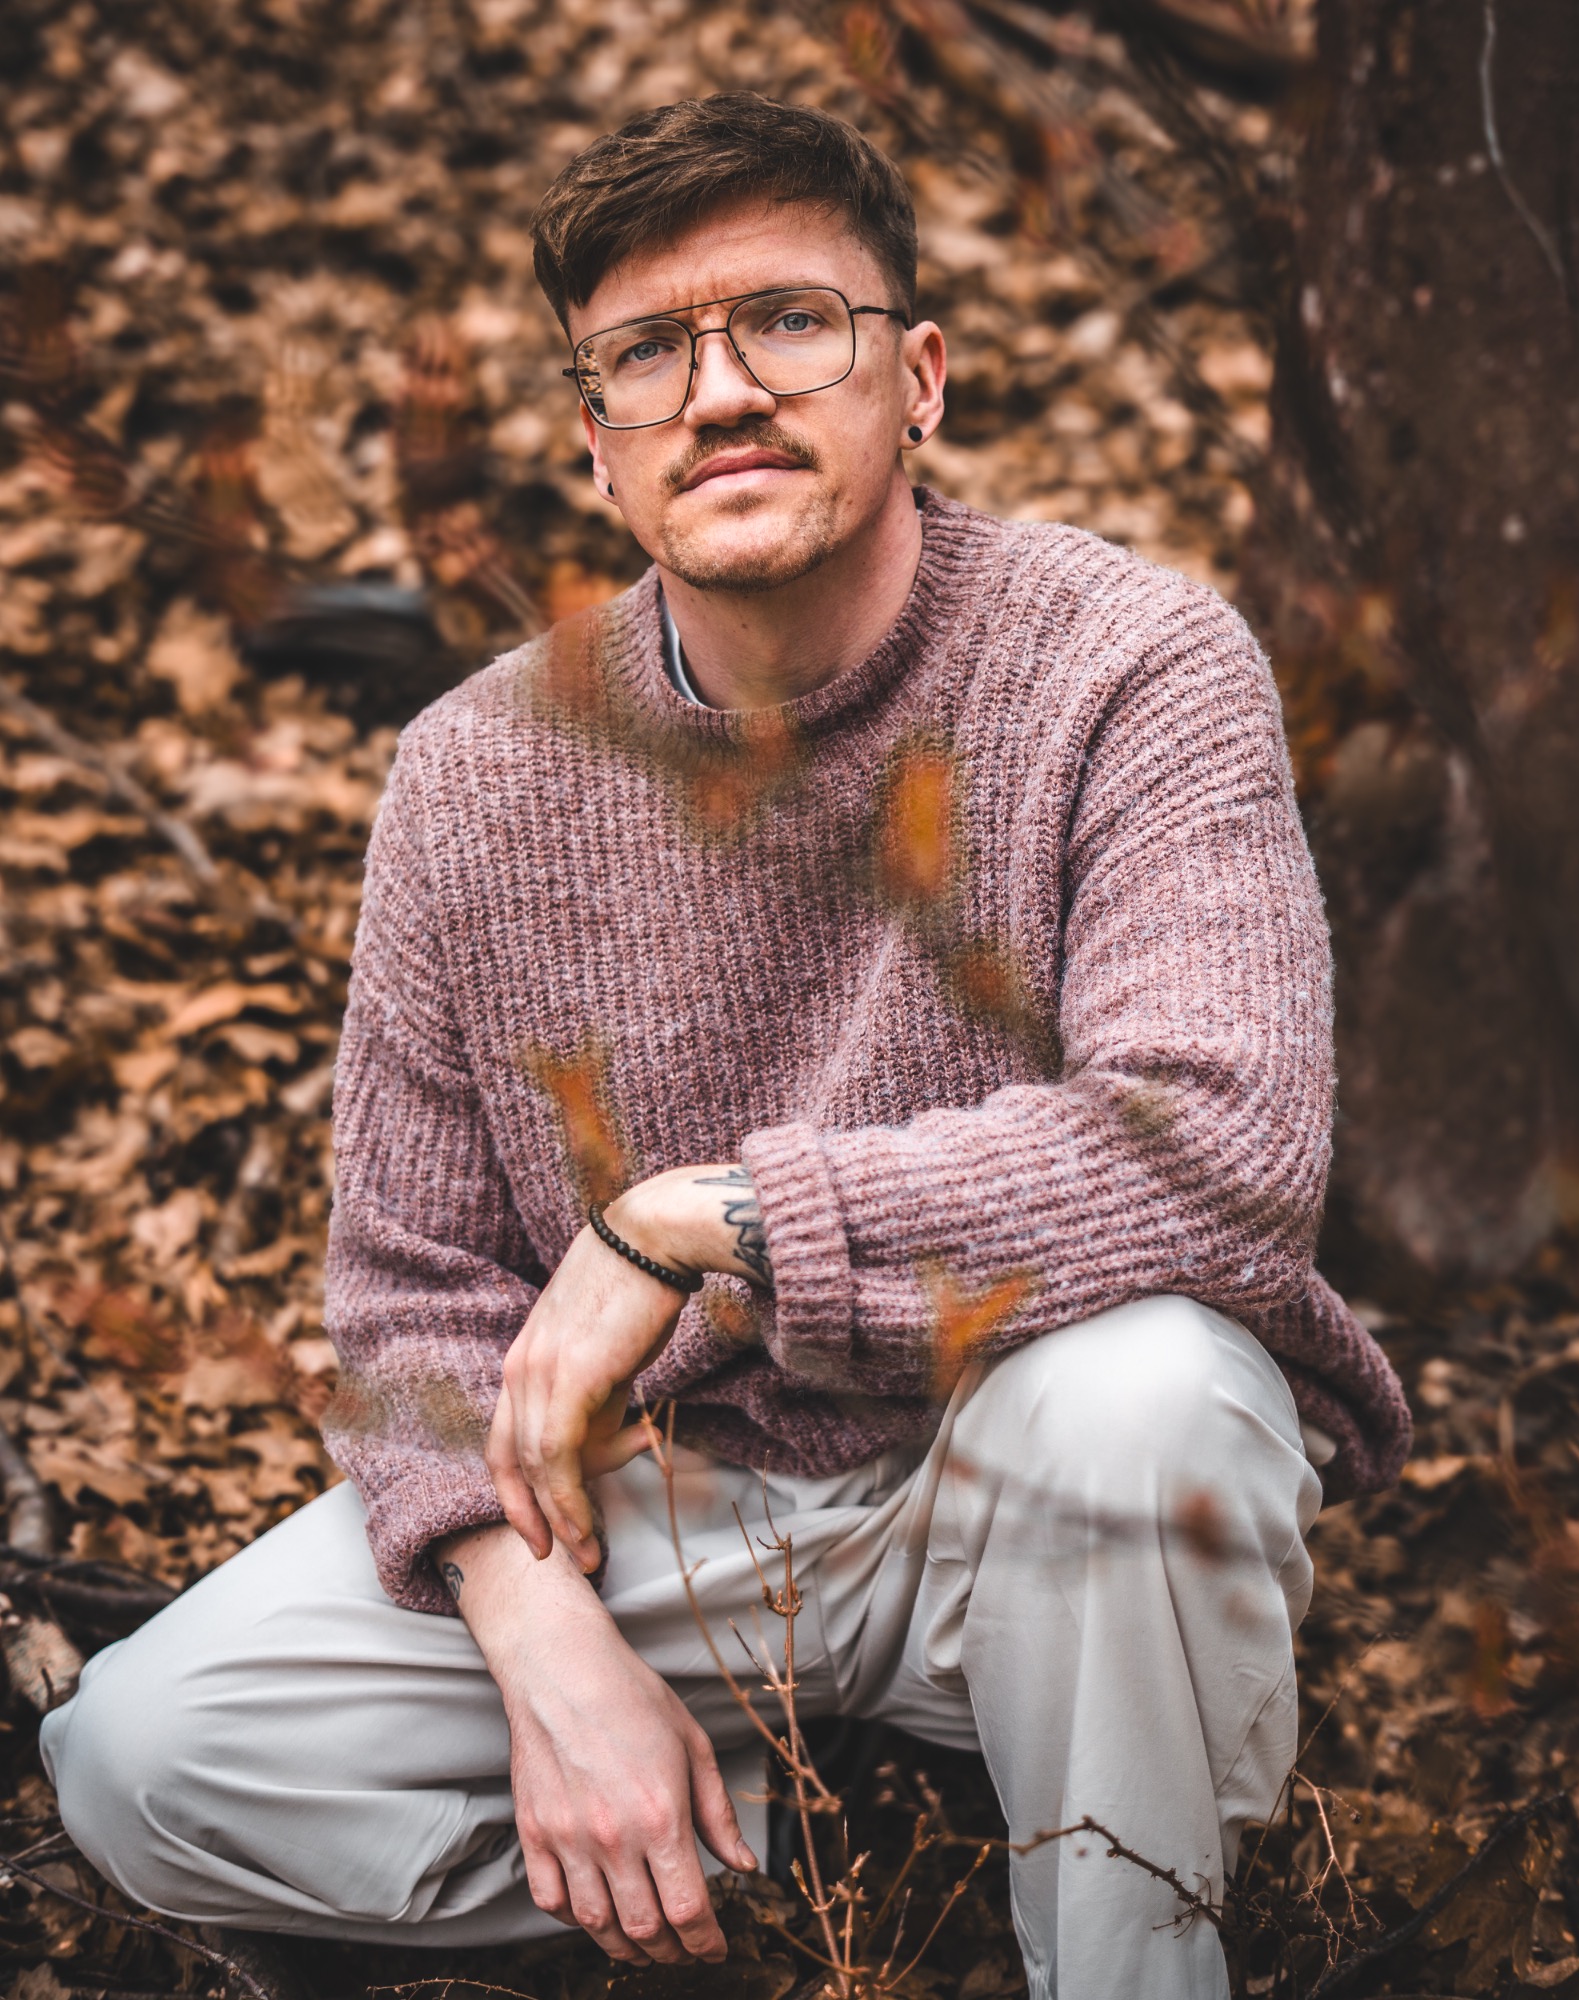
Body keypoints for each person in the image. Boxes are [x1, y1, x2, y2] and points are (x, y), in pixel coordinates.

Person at [42, 92, 1411, 2000]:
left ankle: (1110, 1941)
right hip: (662, 1514)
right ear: (596, 442)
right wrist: (539, 1641)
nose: (723, 392)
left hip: (1016, 1468)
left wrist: (708, 1226)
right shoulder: (472, 774)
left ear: (917, 378)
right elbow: (409, 1299)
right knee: (145, 1754)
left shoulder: (1133, 662)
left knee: (1148, 1400)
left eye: (788, 320)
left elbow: (1219, 1149)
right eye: (648, 353)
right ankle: (810, 1867)